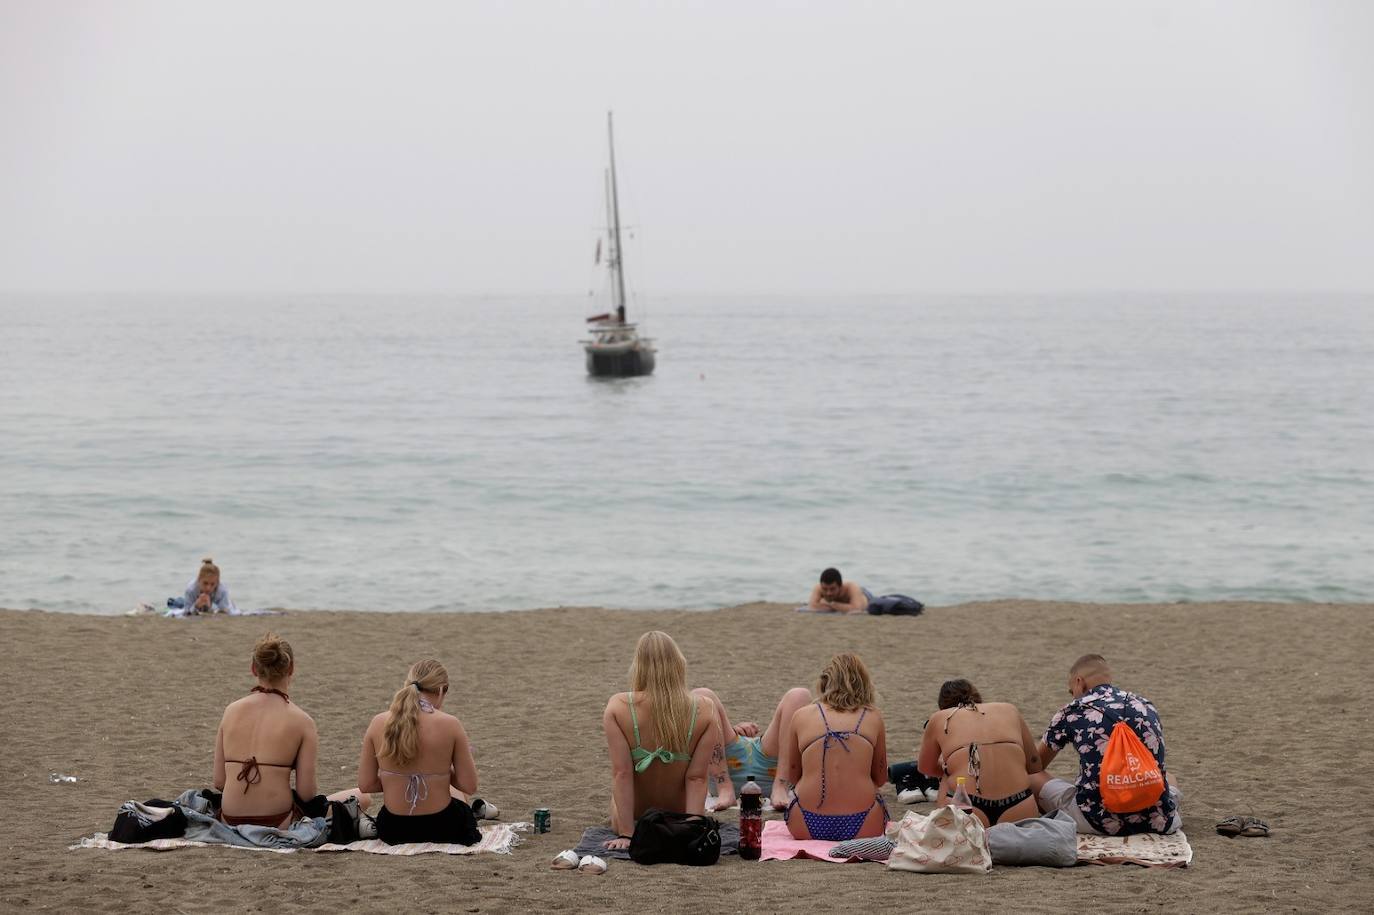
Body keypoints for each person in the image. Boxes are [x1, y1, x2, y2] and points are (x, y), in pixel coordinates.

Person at [214, 633, 362, 827]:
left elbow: (219, 782)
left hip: (230, 818)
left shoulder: (230, 711)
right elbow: (306, 793)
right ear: (290, 668)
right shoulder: (302, 721)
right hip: (278, 820)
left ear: (253, 669)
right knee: (362, 797)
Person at [1030, 654, 1182, 835]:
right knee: (1169, 777)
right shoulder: (1144, 705)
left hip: (1097, 820)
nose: (1073, 697)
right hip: (1159, 820)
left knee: (1031, 777)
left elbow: (1036, 765)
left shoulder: (1071, 711)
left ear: (1079, 682)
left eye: (1072, 691)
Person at [602, 631, 720, 850]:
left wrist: (627, 835)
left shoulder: (618, 706)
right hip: (678, 816)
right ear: (678, 664)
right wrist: (692, 829)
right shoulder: (704, 709)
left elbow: (622, 774)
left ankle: (628, 828)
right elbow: (697, 779)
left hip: (638, 818)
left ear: (639, 666)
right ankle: (690, 823)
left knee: (618, 786)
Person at [358, 659, 484, 845]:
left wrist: (396, 779)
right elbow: (469, 785)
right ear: (441, 690)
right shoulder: (450, 724)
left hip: (394, 828)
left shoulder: (378, 722)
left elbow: (366, 784)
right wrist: (441, 774)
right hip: (444, 826)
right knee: (459, 799)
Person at [781, 652, 889, 841]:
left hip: (805, 822)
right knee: (872, 788)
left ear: (824, 682)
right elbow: (880, 778)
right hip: (864, 823)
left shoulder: (801, 716)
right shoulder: (873, 717)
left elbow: (792, 775)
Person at [917, 679, 1042, 826]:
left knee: (948, 772)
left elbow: (925, 767)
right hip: (1018, 804)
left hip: (968, 807)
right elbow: (1035, 764)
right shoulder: (1009, 709)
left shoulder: (940, 718)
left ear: (943, 707)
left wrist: (952, 767)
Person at [689, 685, 813, 810]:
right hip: (726, 766)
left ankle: (781, 785)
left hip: (774, 769)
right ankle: (724, 787)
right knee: (701, 695)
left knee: (799, 695)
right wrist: (733, 730)